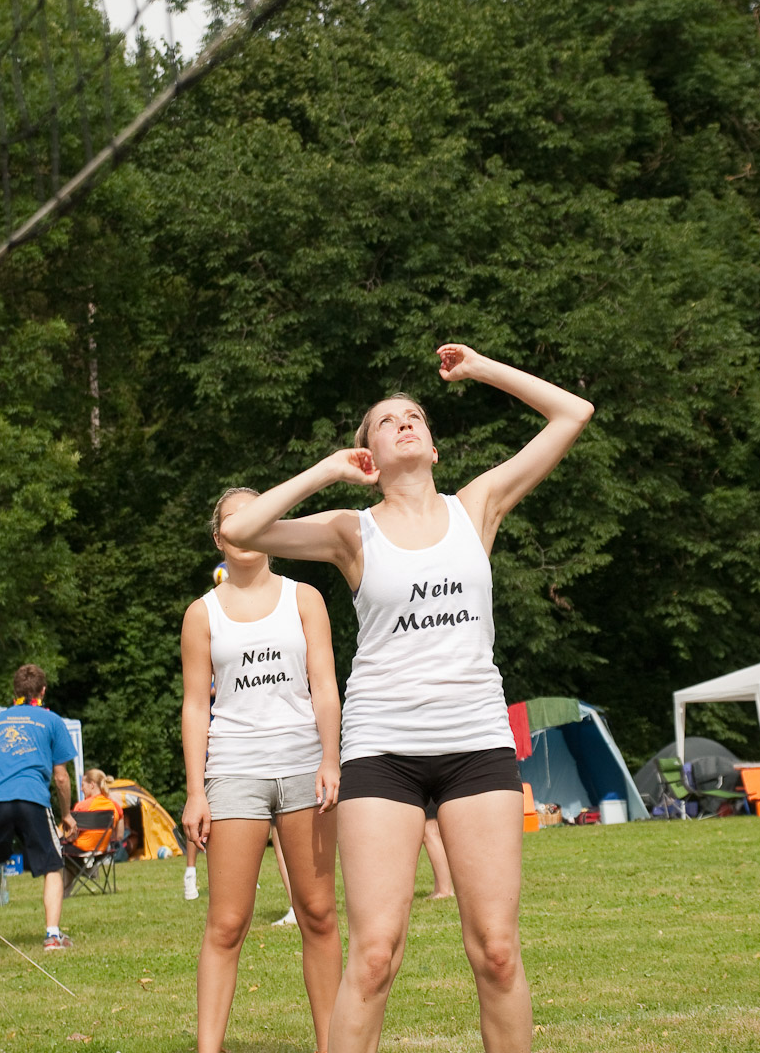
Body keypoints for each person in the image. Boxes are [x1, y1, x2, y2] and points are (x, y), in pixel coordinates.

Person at [220, 342, 594, 1053]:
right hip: (381, 750)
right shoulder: (349, 531)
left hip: (476, 742)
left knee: (497, 951)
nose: (404, 422)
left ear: (433, 446)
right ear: (369, 454)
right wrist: (328, 470)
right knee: (373, 957)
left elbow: (573, 412)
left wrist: (480, 369)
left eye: (415, 415)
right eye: (387, 420)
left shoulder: (476, 507)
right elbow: (237, 530)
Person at [182, 488, 342, 1053]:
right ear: (220, 538)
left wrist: (331, 757)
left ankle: (332, 1045)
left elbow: (325, 685)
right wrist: (196, 791)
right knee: (227, 923)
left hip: (304, 768)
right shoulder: (201, 614)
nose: (247, 527)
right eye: (234, 520)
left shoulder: (305, 598)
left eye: (258, 516)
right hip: (233, 773)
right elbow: (195, 706)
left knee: (318, 913)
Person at [0, 664, 79, 950]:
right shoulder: (52, 721)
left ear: (15, 691)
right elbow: (61, 777)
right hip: (32, 797)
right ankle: (53, 936)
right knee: (53, 866)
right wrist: (66, 814)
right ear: (43, 691)